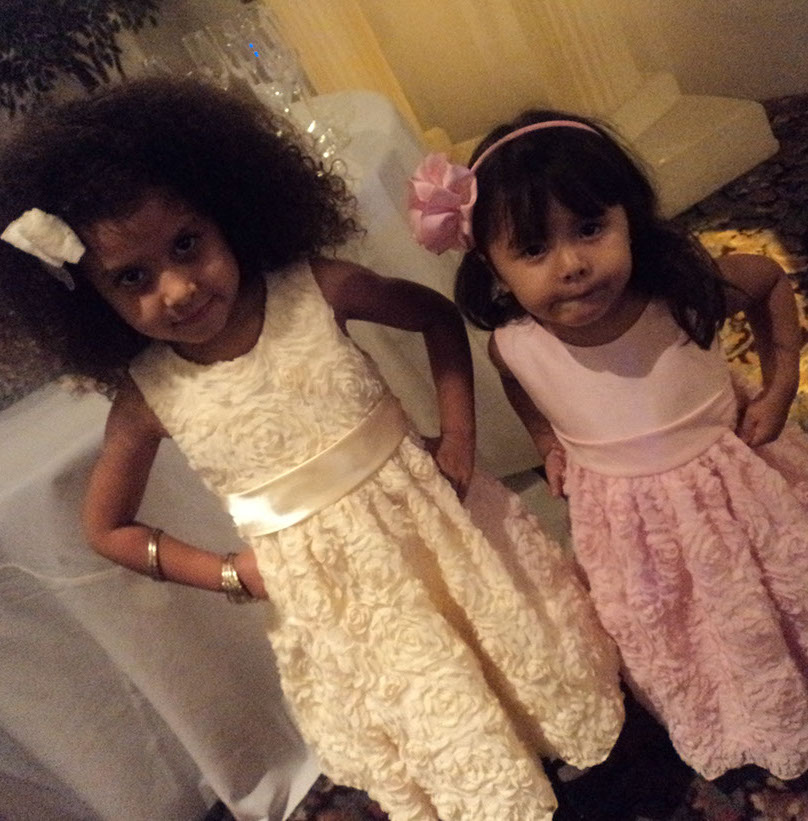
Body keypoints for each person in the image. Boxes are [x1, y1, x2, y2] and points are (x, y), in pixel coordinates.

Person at [0, 79, 625, 821]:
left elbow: (433, 316)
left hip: (436, 525)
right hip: (343, 598)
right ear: (89, 296)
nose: (177, 288)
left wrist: (458, 434)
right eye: (132, 277)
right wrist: (229, 571)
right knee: (431, 701)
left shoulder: (313, 291)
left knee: (512, 643)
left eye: (187, 244)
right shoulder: (148, 396)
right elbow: (106, 527)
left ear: (227, 213)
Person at [409, 108, 808, 786]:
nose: (572, 265)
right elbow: (520, 383)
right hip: (631, 526)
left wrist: (779, 385)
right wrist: (548, 440)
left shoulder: (681, 294)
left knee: (776, 590)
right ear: (493, 267)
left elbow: (768, 282)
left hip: (733, 487)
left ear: (630, 218)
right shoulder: (515, 343)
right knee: (675, 625)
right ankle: (730, 711)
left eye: (591, 229)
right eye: (534, 249)